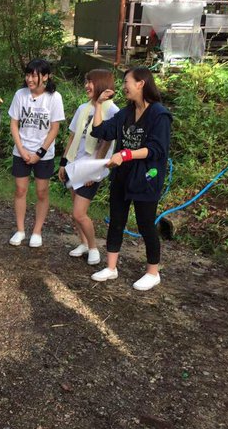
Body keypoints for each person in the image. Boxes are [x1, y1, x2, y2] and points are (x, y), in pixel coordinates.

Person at [88, 67, 172, 291]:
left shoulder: (159, 115)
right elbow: (101, 131)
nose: (123, 86)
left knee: (145, 224)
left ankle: (153, 273)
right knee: (116, 220)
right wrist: (98, 105)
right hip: (122, 175)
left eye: (127, 81)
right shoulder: (125, 113)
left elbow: (156, 149)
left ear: (141, 83)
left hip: (146, 177)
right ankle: (111, 267)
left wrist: (125, 154)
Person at [58, 69, 120, 265]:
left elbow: (106, 143)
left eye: (90, 82)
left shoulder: (112, 111)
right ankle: (83, 243)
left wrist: (94, 172)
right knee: (75, 211)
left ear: (101, 83)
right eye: (86, 81)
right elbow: (72, 136)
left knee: (79, 212)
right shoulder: (82, 109)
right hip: (74, 164)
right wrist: (64, 162)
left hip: (92, 168)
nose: (86, 86)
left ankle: (93, 248)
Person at [8, 58, 65, 248]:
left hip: (44, 153)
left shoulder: (54, 97)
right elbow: (14, 124)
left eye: (34, 75)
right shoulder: (20, 94)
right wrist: (21, 149)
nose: (29, 79)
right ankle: (20, 230)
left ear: (46, 76)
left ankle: (37, 231)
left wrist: (39, 153)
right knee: (20, 190)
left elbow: (54, 128)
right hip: (21, 151)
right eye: (27, 75)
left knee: (42, 192)